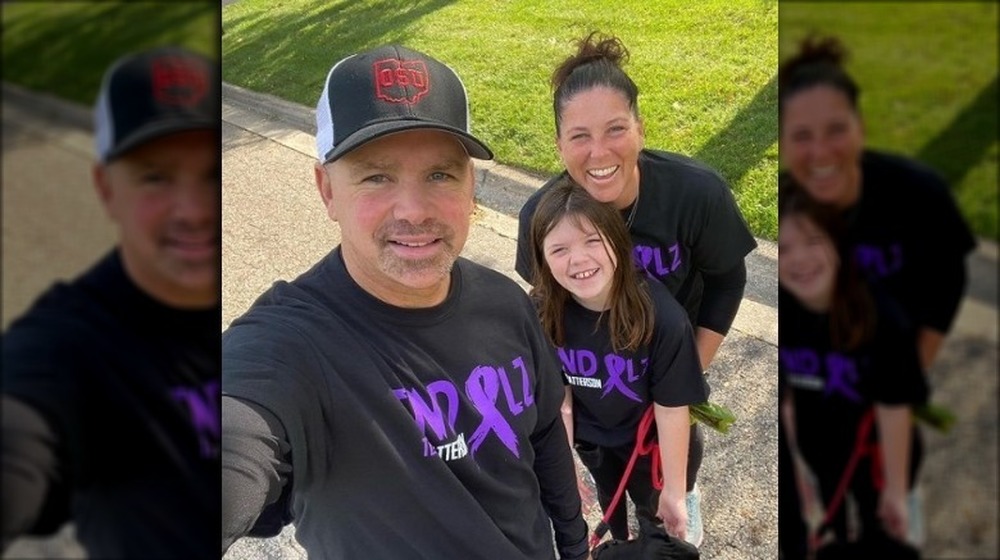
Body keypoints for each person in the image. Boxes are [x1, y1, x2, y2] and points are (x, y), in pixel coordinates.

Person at [220, 44, 590, 559]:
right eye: (377, 176)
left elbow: (546, 430)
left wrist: (573, 547)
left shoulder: (506, 304)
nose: (414, 211)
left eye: (440, 174)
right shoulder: (289, 345)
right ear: (327, 190)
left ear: (470, 187)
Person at [515, 31, 758, 547]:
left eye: (615, 129)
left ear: (641, 129)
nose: (598, 152)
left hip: (663, 388)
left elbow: (728, 279)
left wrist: (687, 369)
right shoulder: (541, 219)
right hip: (594, 399)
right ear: (558, 145)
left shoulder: (695, 195)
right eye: (578, 136)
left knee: (669, 510)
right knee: (611, 506)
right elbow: (548, 315)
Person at [1, 46, 220, 559]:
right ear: (105, 189)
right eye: (155, 177)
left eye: (212, 174)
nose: (193, 210)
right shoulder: (64, 349)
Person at [777, 34, 977, 372]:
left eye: (836, 130)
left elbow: (947, 283)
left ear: (862, 129)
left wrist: (911, 373)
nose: (821, 152)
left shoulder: (921, 194)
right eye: (802, 136)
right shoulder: (785, 206)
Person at [528, 176, 709, 544]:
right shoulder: (542, 311)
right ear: (542, 258)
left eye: (593, 240)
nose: (578, 259)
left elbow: (673, 408)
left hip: (652, 444)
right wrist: (562, 470)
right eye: (559, 249)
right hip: (593, 439)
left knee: (655, 514)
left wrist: (675, 491)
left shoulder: (662, 317)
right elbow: (559, 399)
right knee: (611, 503)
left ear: (618, 242)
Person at [777, 179, 926, 558]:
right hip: (819, 448)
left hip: (877, 452)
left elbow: (895, 408)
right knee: (832, 532)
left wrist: (894, 489)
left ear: (837, 243)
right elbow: (788, 401)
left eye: (813, 241)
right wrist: (799, 473)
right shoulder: (789, 315)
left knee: (886, 535)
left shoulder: (881, 318)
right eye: (784, 248)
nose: (800, 260)